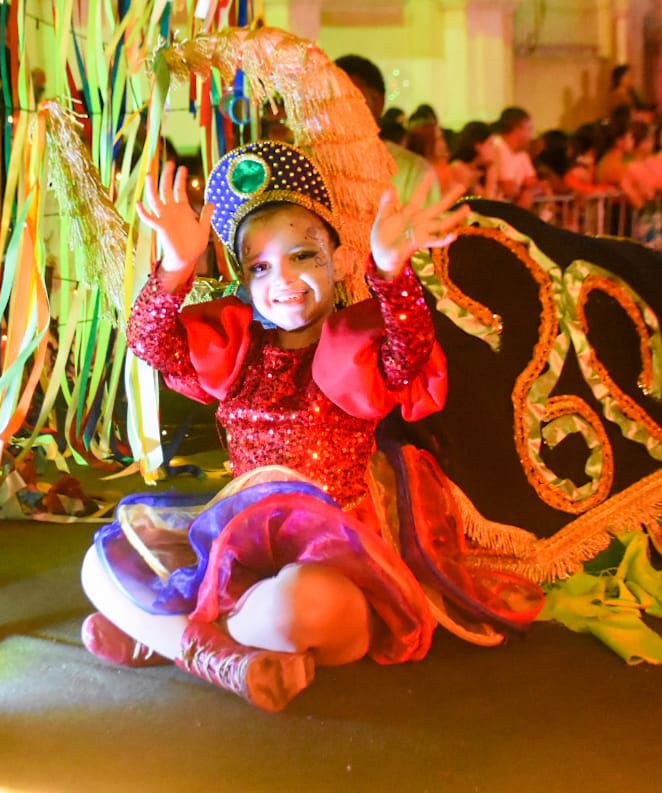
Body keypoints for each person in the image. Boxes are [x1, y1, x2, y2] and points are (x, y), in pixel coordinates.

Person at [78, 141, 543, 711]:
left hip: (334, 562)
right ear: (244, 278)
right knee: (99, 564)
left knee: (300, 604)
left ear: (337, 260)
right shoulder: (237, 349)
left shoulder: (360, 343)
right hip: (237, 548)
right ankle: (224, 658)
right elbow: (152, 344)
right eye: (261, 267)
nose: (285, 279)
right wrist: (176, 266)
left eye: (303, 255)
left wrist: (390, 272)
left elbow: (410, 352)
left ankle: (164, 638)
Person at [335, 55, 440, 208]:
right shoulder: (310, 167)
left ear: (378, 102)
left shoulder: (413, 171)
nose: (336, 108)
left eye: (347, 97)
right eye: (329, 98)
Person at [491, 107, 539, 207]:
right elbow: (509, 188)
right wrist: (525, 193)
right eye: (529, 129)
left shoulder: (521, 152)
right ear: (517, 130)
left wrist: (527, 192)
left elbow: (532, 182)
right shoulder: (497, 147)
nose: (531, 136)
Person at [448, 121, 497, 198]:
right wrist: (491, 169)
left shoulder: (479, 168)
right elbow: (485, 201)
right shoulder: (459, 167)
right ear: (478, 146)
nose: (493, 149)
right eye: (490, 144)